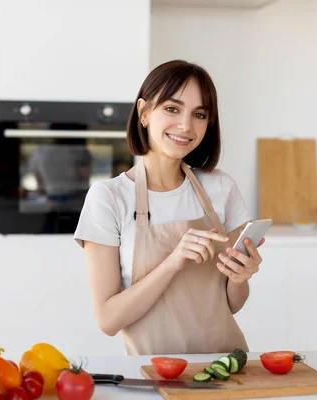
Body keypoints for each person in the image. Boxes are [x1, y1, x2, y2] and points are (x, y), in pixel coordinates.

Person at [73, 59, 265, 355]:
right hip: (155, 375)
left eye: (199, 114)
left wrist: (240, 278)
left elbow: (231, 305)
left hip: (227, 368)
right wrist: (174, 261)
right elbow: (108, 320)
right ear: (144, 112)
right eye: (172, 109)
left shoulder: (221, 187)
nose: (186, 126)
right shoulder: (108, 198)